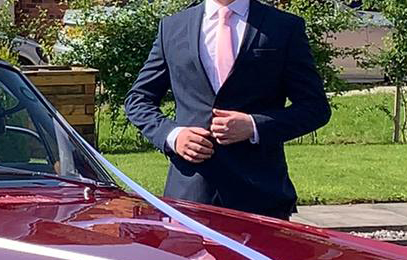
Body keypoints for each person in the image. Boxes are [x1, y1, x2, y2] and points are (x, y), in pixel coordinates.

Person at [124, 0, 332, 220]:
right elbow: (138, 100)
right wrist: (173, 136)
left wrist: (254, 126)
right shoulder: (173, 27)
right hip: (189, 198)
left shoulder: (283, 27)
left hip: (260, 196)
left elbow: (315, 107)